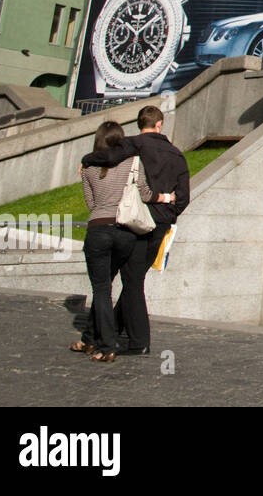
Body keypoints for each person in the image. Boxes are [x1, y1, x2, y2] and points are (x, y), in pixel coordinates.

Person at [80, 105, 190, 355]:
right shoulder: (177, 155)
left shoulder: (134, 145)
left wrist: (86, 160)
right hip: (160, 222)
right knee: (129, 279)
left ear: (140, 123)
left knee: (125, 280)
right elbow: (183, 198)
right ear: (160, 124)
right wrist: (167, 214)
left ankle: (135, 341)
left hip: (135, 222)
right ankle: (99, 335)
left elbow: (107, 159)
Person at [72, 121, 152, 363]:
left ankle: (107, 345)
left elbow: (90, 204)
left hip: (99, 230)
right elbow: (145, 194)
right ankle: (91, 338)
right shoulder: (133, 163)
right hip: (126, 233)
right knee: (105, 286)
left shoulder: (86, 168)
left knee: (101, 289)